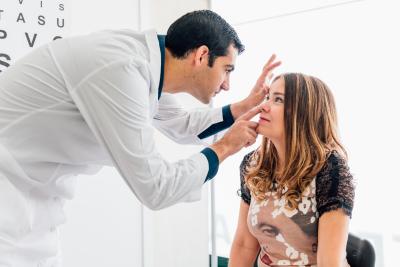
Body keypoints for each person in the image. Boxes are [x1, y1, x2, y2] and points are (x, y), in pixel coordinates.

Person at [0, 10, 281, 266]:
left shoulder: (146, 66)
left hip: (32, 204)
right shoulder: (121, 69)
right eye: (227, 69)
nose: (227, 84)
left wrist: (242, 108)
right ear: (201, 55)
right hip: (10, 201)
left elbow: (181, 125)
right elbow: (155, 187)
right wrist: (223, 149)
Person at [229, 73, 355, 267]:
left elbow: (330, 262)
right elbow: (244, 245)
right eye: (268, 97)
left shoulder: (330, 168)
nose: (264, 106)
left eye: (278, 99)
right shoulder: (253, 163)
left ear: (304, 112)